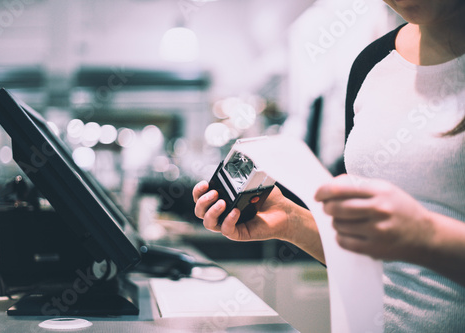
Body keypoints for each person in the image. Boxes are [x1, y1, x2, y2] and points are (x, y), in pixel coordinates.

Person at [192, 1, 465, 332]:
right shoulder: (371, 63)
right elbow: (370, 257)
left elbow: (413, 240)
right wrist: (293, 222)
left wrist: (425, 236)